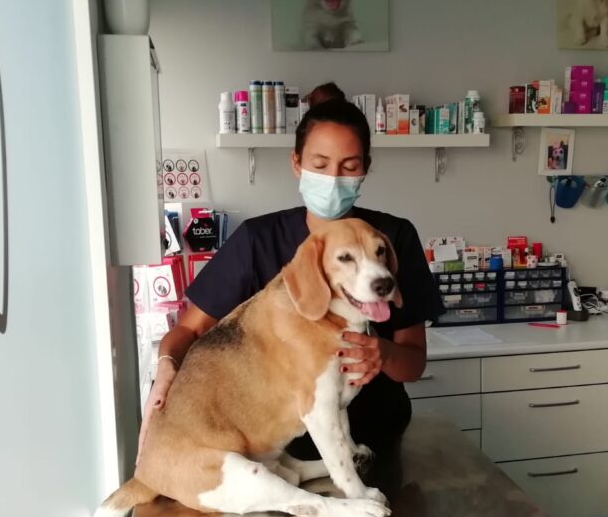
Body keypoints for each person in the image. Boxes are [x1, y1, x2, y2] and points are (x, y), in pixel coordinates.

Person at [140, 82, 443, 462]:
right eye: (320, 165)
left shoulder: (392, 237)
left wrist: (382, 353)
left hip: (375, 438)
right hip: (276, 448)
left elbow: (413, 362)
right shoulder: (257, 241)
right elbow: (189, 331)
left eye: (349, 167)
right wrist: (167, 369)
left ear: (364, 169)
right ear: (296, 163)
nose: (333, 179)